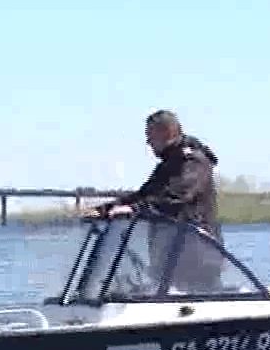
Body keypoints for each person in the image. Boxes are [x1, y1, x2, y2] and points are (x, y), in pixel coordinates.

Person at [87, 110, 221, 292]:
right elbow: (145, 195)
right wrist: (106, 209)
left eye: (150, 136)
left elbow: (177, 197)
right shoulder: (169, 164)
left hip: (196, 255)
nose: (148, 142)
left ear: (167, 132)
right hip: (171, 254)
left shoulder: (194, 162)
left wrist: (134, 209)